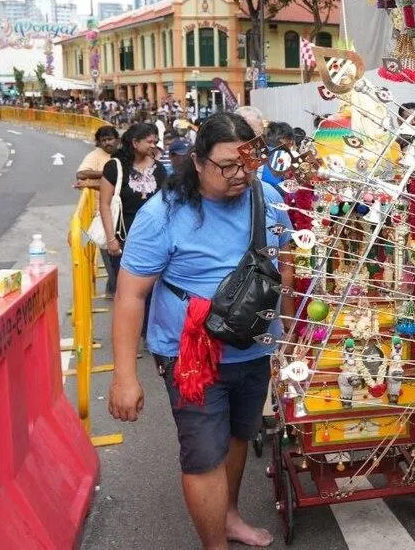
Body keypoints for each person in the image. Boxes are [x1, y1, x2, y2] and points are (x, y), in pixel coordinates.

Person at [107, 112, 293, 550]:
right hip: (190, 357)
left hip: (254, 348)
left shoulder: (269, 199)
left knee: (236, 438)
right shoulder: (163, 214)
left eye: (249, 161)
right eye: (228, 165)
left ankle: (228, 517)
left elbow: (286, 266)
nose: (240, 174)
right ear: (197, 162)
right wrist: (123, 376)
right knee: (204, 455)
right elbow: (130, 296)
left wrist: (291, 336)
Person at [99, 124, 166, 303]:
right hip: (124, 239)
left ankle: (146, 330)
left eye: (155, 141)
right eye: (149, 141)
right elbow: (104, 204)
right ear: (135, 143)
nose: (154, 145)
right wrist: (111, 239)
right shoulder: (115, 167)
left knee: (152, 292)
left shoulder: (159, 169)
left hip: (154, 239)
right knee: (127, 292)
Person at [74, 125, 120, 191]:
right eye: (103, 140)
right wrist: (108, 173)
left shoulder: (124, 154)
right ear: (99, 143)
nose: (107, 142)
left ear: (117, 140)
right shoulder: (94, 155)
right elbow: (80, 174)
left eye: (110, 139)